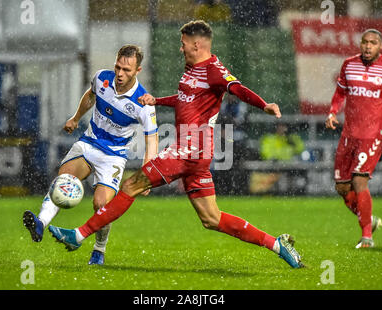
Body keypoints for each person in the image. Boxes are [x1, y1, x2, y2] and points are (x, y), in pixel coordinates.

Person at [49, 20, 304, 268]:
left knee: (131, 185)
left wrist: (265, 105)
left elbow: (237, 88)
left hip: (189, 148)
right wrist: (156, 101)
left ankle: (79, 236)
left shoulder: (214, 70)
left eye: (183, 44)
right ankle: (277, 245)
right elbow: (185, 99)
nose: (180, 49)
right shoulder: (192, 70)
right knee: (211, 218)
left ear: (196, 45)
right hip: (196, 154)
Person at [22, 45, 159, 265]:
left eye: (126, 69)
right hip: (88, 143)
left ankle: (99, 249)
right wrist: (76, 118)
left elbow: (152, 139)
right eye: (118, 67)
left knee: (100, 205)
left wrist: (148, 173)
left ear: (138, 70)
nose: (120, 74)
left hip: (112, 157)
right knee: (64, 179)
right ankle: (40, 222)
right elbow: (90, 96)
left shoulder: (143, 103)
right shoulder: (101, 79)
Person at [325, 29, 382, 248]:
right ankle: (369, 219)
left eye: (372, 43)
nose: (367, 46)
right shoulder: (349, 64)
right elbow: (340, 92)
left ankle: (367, 236)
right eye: (364, 42)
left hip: (372, 136)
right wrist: (333, 111)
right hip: (348, 134)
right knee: (342, 188)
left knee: (360, 181)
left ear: (381, 47)